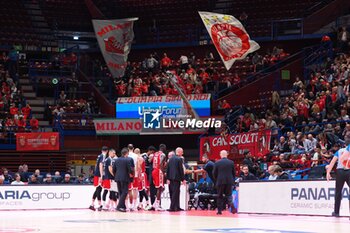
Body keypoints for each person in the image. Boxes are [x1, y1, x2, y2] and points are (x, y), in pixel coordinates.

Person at [326, 131, 350, 218]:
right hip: (348, 171)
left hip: (340, 172)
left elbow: (332, 162)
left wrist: (328, 172)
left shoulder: (340, 151)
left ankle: (336, 212)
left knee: (338, 192)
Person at [213, 150, 237, 215]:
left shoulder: (217, 163)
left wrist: (217, 179)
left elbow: (214, 173)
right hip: (229, 181)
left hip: (220, 181)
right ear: (227, 155)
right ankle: (232, 206)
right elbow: (234, 173)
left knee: (220, 196)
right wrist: (232, 180)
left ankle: (219, 211)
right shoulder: (231, 162)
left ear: (221, 155)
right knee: (229, 195)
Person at [113, 148, 134, 212]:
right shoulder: (128, 160)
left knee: (120, 192)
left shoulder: (116, 160)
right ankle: (119, 206)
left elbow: (114, 169)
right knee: (125, 192)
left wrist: (116, 175)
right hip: (125, 178)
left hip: (117, 178)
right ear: (126, 153)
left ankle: (123, 206)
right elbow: (130, 170)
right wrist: (132, 175)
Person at [89, 146, 108, 211]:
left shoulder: (99, 156)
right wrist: (101, 176)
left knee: (97, 189)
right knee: (99, 190)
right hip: (99, 175)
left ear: (101, 150)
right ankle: (100, 205)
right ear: (107, 151)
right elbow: (100, 165)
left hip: (96, 174)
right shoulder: (103, 156)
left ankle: (92, 204)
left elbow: (96, 165)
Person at [166, 147, 185, 212]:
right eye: (182, 152)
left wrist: (167, 178)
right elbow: (181, 170)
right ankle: (172, 207)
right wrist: (183, 179)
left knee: (173, 192)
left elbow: (167, 169)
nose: (182, 153)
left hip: (170, 178)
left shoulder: (170, 159)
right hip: (177, 179)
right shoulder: (179, 159)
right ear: (179, 152)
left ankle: (177, 206)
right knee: (175, 193)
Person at [150, 144, 167, 211]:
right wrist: (162, 172)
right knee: (160, 188)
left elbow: (149, 161)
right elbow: (160, 163)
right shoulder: (163, 154)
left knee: (160, 188)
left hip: (154, 170)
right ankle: (157, 205)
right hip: (158, 171)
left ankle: (154, 204)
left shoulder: (155, 154)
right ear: (163, 148)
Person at [127, 144, 138, 211]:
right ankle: (134, 206)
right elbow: (137, 166)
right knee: (135, 190)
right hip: (135, 174)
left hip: (127, 175)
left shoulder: (126, 155)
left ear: (128, 148)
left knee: (128, 190)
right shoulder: (136, 156)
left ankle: (128, 205)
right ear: (133, 148)